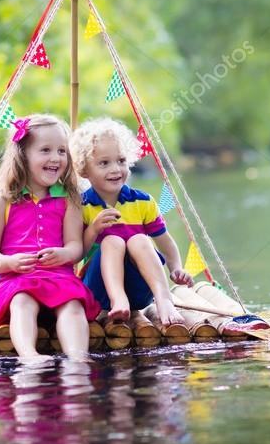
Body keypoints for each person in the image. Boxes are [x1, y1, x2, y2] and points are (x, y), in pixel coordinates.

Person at [0, 113, 100, 362]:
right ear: (23, 155)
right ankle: (29, 355)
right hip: (17, 279)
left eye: (62, 151)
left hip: (59, 278)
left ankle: (78, 358)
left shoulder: (69, 199)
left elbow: (75, 246)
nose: (56, 158)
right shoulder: (3, 199)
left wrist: (64, 254)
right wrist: (9, 263)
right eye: (45, 150)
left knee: (73, 306)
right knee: (22, 302)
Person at [69, 118, 192, 324]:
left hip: (139, 291)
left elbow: (165, 242)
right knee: (112, 241)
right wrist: (93, 229)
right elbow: (75, 255)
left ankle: (163, 298)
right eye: (104, 163)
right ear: (84, 170)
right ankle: (118, 300)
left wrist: (176, 268)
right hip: (99, 292)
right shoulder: (80, 206)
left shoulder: (142, 202)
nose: (116, 169)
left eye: (121, 161)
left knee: (139, 239)